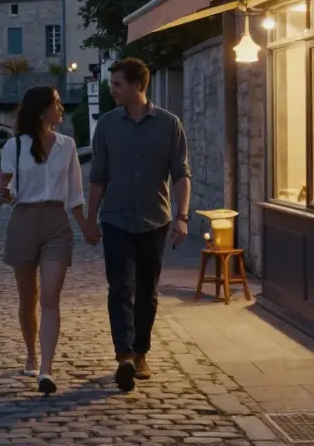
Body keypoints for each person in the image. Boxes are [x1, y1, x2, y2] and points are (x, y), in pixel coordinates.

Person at [84, 58, 191, 393]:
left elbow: (181, 173)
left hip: (154, 221)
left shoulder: (169, 125)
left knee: (147, 291)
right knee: (120, 288)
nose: (111, 89)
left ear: (136, 86)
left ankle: (141, 352)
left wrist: (183, 216)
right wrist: (90, 219)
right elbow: (98, 177)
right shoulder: (106, 125)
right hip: (115, 220)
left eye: (116, 84)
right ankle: (124, 355)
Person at [0, 86, 90, 395]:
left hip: (56, 224)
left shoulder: (68, 146)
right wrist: (4, 190)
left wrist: (87, 227)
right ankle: (31, 353)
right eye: (56, 103)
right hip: (23, 221)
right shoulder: (15, 146)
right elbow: (7, 190)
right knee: (28, 299)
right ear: (41, 110)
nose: (61, 108)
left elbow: (75, 195)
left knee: (50, 296)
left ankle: (46, 370)